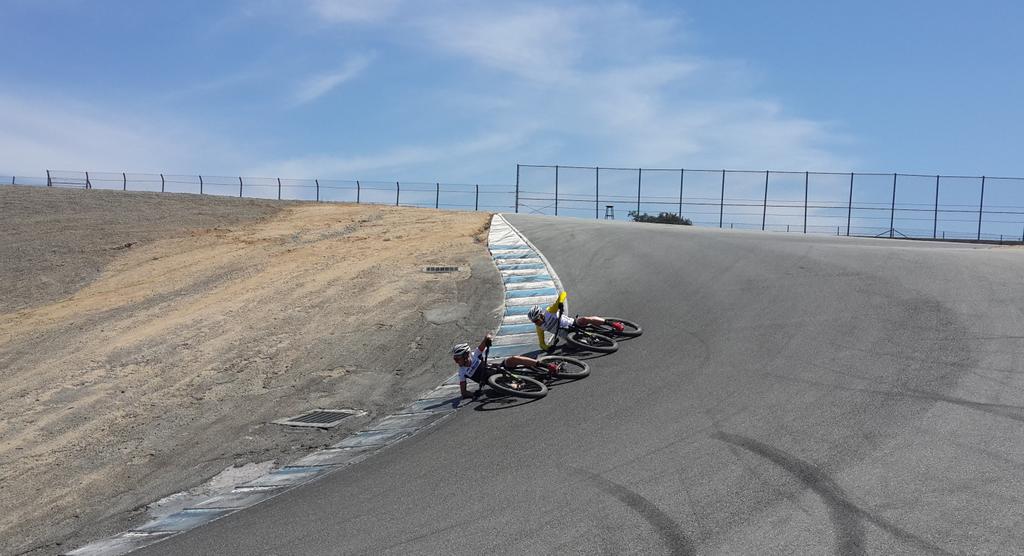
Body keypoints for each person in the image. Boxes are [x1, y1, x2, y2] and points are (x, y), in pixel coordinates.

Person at [452, 333, 559, 398]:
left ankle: (546, 365)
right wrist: (473, 394)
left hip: (499, 368)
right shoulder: (462, 372)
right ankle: (534, 384)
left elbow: (486, 338)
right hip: (495, 381)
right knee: (514, 387)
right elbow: (464, 392)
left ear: (465, 356)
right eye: (455, 359)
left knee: (514, 359)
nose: (456, 361)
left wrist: (488, 339)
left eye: (457, 359)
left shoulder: (476, 355)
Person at [528, 297, 623, 350]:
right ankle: (593, 342)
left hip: (572, 323)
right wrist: (548, 348)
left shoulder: (550, 311)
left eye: (536, 320)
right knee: (572, 347)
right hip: (567, 335)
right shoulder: (539, 327)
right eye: (534, 321)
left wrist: (560, 303)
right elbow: (542, 344)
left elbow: (562, 294)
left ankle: (612, 324)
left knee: (585, 319)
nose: (536, 323)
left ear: (541, 315)